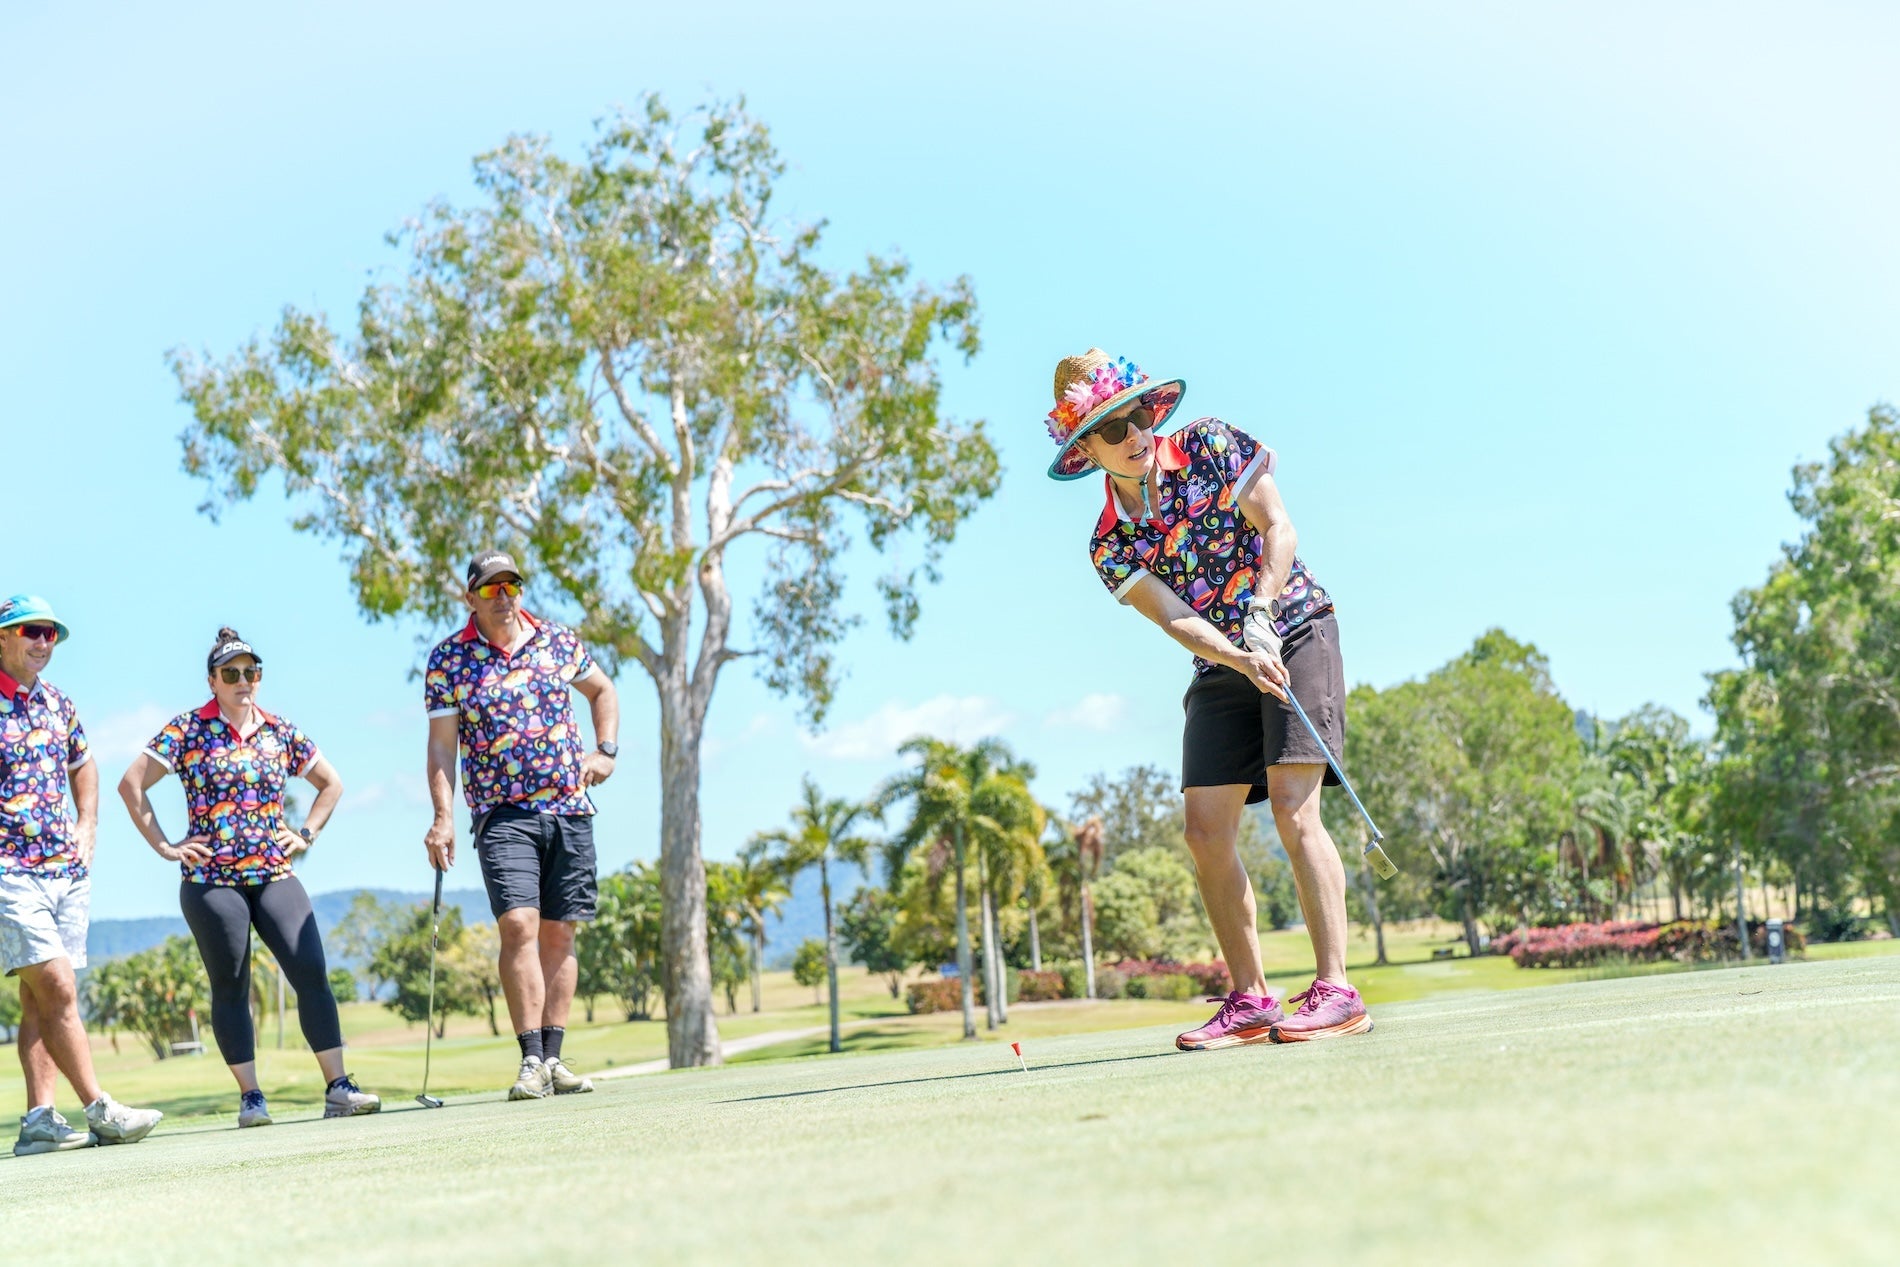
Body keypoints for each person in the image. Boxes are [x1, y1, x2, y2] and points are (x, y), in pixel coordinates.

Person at [1045, 350, 1372, 1049]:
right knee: (1204, 827)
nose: (1134, 432)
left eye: (1138, 414)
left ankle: (1337, 989)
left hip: (1295, 625)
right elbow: (1171, 617)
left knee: (1292, 805)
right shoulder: (1109, 541)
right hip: (1222, 658)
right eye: (1113, 427)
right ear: (1087, 447)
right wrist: (1234, 653)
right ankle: (1252, 998)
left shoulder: (1210, 444)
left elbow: (1278, 527)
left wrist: (1261, 610)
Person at [118, 627, 380, 1127]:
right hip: (211, 881)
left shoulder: (280, 730)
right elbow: (131, 785)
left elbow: (332, 783)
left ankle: (339, 1088)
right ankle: (252, 1098)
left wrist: (305, 833)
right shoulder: (187, 730)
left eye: (251, 672)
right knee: (231, 984)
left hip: (274, 872)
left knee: (310, 971)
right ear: (212, 680)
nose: (244, 681)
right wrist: (166, 846)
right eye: (232, 673)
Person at [424, 550, 619, 1100]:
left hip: (570, 807)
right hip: (502, 811)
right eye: (490, 589)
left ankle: (554, 1060)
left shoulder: (558, 640)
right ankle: (531, 1059)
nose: (503, 596)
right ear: (471, 599)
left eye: (511, 586)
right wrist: (443, 817)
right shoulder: (449, 661)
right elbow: (442, 747)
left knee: (561, 929)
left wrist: (604, 751)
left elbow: (603, 691)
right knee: (518, 925)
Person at [0, 594, 164, 1154]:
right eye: (33, 631)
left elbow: (84, 763)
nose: (45, 641)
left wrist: (87, 822)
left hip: (65, 873)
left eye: (52, 634)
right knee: (57, 986)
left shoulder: (58, 704)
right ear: (3, 636)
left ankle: (40, 1120)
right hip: (10, 872)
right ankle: (100, 1108)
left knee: (37, 999)